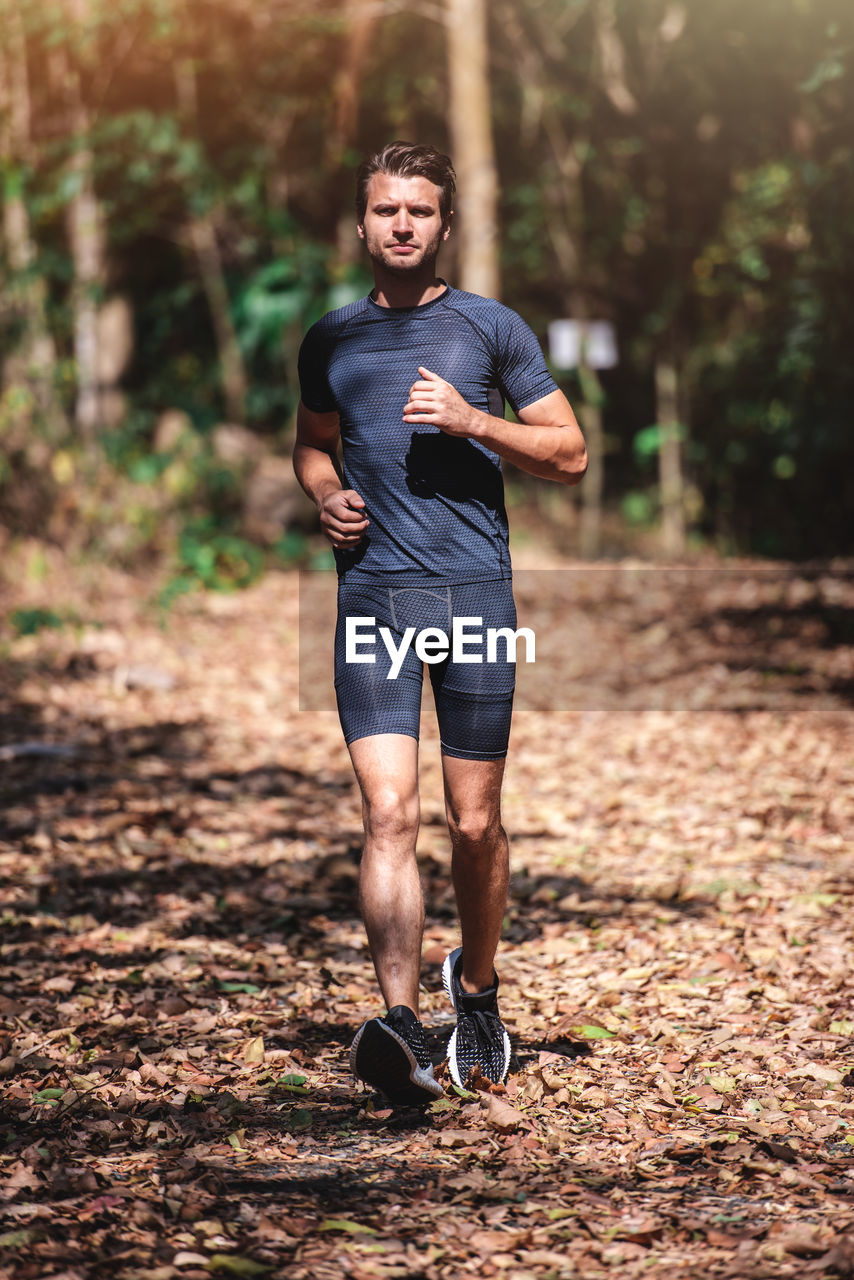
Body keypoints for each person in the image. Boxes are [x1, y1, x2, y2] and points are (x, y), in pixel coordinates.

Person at [293, 141, 587, 1105]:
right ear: (366, 222)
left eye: (420, 210)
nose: (403, 224)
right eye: (387, 210)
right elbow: (310, 447)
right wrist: (326, 493)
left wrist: (473, 423)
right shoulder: (330, 340)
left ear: (444, 226)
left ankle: (480, 989)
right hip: (374, 596)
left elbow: (570, 452)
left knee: (473, 822)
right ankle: (403, 1026)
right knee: (387, 812)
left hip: (473, 597)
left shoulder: (490, 329)